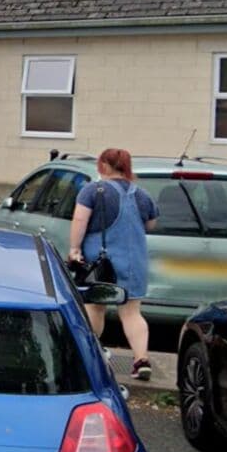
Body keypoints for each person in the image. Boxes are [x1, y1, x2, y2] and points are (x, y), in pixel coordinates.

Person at [68, 147, 158, 380]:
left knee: (95, 307)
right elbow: (151, 225)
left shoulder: (92, 191)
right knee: (131, 313)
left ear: (104, 166)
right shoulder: (142, 194)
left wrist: (75, 248)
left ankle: (93, 352)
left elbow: (80, 220)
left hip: (100, 263)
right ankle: (141, 360)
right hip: (133, 262)